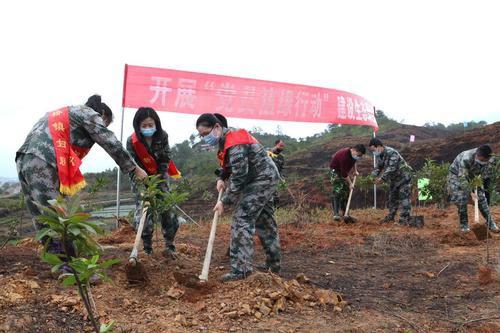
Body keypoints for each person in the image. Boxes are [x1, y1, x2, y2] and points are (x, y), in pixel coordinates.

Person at [16, 95, 147, 256]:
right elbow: (108, 140)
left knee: (42, 216)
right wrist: (134, 168)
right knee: (60, 217)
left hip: (24, 160)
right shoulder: (90, 114)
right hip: (44, 162)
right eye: (105, 123)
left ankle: (56, 260)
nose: (103, 125)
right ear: (103, 115)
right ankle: (71, 266)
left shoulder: (67, 113)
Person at [195, 113, 281, 282]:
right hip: (265, 178)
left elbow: (240, 176)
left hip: (262, 179)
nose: (205, 138)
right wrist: (221, 177)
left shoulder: (235, 141)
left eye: (206, 134)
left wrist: (224, 201)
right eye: (202, 136)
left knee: (242, 218)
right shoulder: (226, 141)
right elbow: (228, 166)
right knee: (265, 220)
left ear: (217, 127)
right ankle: (274, 265)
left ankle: (241, 270)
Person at [126, 107, 181, 257]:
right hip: (140, 179)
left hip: (160, 177)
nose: (148, 128)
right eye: (144, 125)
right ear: (138, 126)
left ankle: (170, 245)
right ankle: (147, 248)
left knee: (167, 210)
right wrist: (142, 184)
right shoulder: (132, 141)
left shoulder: (162, 136)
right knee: (145, 213)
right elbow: (130, 164)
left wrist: (158, 178)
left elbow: (166, 157)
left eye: (151, 124)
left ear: (156, 124)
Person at [447, 145, 498, 232]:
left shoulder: (490, 159)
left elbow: (485, 177)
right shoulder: (466, 158)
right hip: (456, 175)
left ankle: (491, 223)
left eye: (485, 161)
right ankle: (464, 226)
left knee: (482, 199)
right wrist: (471, 193)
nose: (483, 162)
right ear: (477, 156)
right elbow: (462, 177)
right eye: (481, 160)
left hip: (474, 176)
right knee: (462, 198)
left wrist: (480, 192)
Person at [368, 138, 412, 225]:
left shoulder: (391, 152)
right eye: (372, 151)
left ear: (379, 146)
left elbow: (392, 168)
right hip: (394, 179)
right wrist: (371, 176)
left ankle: (405, 218)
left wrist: (382, 179)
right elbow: (378, 167)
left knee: (404, 197)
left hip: (403, 177)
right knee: (392, 198)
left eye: (374, 150)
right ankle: (391, 216)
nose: (374, 152)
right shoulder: (380, 156)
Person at [329, 144, 366, 221]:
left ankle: (345, 214)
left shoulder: (353, 155)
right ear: (355, 150)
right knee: (338, 190)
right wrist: (350, 184)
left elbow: (354, 161)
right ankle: (336, 214)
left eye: (360, 156)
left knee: (346, 192)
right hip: (335, 171)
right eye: (358, 155)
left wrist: (355, 170)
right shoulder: (344, 156)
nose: (358, 157)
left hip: (343, 172)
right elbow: (344, 173)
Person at [268, 140, 285, 207]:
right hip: (266, 178)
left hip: (275, 179)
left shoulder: (281, 157)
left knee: (275, 198)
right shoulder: (267, 151)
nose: (281, 148)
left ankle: (274, 212)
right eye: (280, 145)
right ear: (276, 144)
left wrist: (283, 179)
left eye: (283, 146)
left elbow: (281, 169)